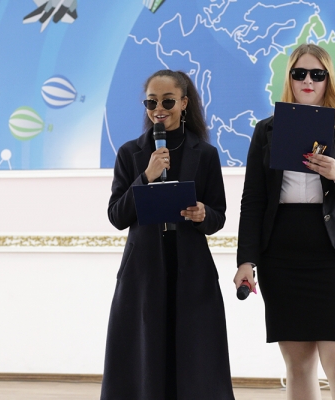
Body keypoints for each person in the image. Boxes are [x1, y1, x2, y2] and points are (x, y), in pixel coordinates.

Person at [234, 43, 335, 400]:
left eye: (317, 74)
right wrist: (246, 260)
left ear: (329, 79)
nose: (308, 80)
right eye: (299, 73)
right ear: (289, 79)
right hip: (280, 259)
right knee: (298, 366)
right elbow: (253, 201)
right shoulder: (266, 131)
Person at [101, 70, 235, 400]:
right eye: (151, 102)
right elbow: (117, 216)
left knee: (194, 358)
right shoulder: (130, 153)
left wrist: (203, 214)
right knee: (144, 357)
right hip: (144, 271)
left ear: (184, 103)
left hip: (191, 268)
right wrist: (145, 176)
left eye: (168, 101)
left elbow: (218, 215)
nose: (159, 109)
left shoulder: (205, 153)